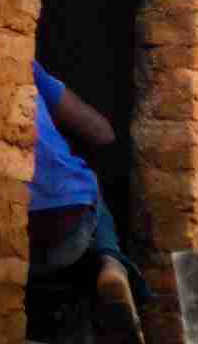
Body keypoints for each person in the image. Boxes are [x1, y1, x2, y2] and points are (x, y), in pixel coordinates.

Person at [29, 60, 147, 344]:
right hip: (70, 229)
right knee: (87, 180)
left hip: (11, 241)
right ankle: (111, 262)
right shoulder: (27, 66)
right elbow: (101, 132)